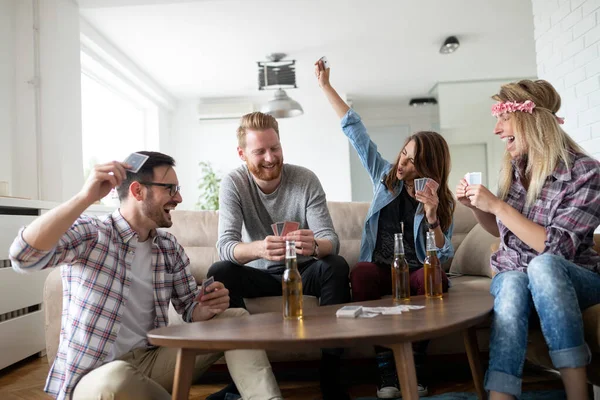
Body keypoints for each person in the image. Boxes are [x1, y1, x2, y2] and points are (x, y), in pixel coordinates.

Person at [9, 151, 282, 400]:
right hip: (95, 377)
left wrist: (209, 306)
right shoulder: (93, 235)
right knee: (116, 379)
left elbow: (189, 309)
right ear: (138, 191)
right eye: (171, 189)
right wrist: (85, 197)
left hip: (150, 362)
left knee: (235, 320)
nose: (178, 198)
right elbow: (23, 256)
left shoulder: (168, 247)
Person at [315, 60, 455, 398]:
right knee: (361, 272)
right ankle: (385, 366)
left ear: (428, 167)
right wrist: (326, 87)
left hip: (416, 271)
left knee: (433, 278)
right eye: (403, 154)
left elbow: (444, 258)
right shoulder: (385, 178)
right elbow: (355, 132)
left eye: (411, 161)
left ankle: (416, 361)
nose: (402, 163)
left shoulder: (440, 200)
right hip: (381, 268)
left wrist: (432, 215)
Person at [456, 80, 600, 400]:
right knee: (510, 283)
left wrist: (497, 205)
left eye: (502, 119)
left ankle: (578, 393)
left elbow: (557, 249)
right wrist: (479, 209)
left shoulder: (586, 173)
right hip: (519, 277)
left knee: (545, 264)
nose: (496, 130)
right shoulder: (515, 170)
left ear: (527, 120)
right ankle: (500, 396)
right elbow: (500, 231)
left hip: (576, 278)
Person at [207, 111, 351, 400]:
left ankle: (331, 375)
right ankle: (243, 379)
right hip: (259, 274)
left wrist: (314, 246)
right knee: (219, 271)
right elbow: (225, 245)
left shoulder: (305, 179)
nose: (271, 158)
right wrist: (258, 249)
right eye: (260, 151)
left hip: (303, 271)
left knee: (336, 265)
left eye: (275, 148)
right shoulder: (233, 184)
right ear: (242, 153)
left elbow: (331, 241)